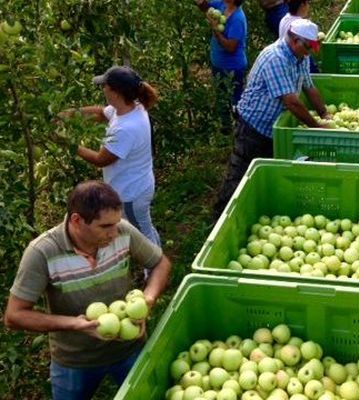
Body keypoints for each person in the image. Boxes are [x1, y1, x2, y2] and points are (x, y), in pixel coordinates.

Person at [3, 181, 171, 400]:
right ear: (77, 220)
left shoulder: (122, 232)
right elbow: (14, 316)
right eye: (104, 226)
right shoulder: (43, 252)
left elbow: (161, 263)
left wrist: (147, 300)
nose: (113, 233)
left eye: (116, 223)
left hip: (128, 349)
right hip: (75, 361)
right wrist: (75, 324)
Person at [213, 19, 331, 218]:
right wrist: (316, 127)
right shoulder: (275, 58)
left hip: (274, 128)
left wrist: (324, 113)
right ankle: (220, 216)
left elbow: (309, 87)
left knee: (266, 176)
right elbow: (291, 102)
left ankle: (253, 211)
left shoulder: (299, 58)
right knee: (240, 172)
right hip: (254, 126)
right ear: (295, 41)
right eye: (308, 47)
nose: (309, 52)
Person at [57, 65, 161, 246]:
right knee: (143, 226)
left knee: (142, 234)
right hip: (137, 184)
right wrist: (70, 114)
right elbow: (100, 112)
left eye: (105, 86)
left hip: (131, 193)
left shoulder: (126, 128)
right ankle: (152, 259)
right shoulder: (131, 107)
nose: (103, 89)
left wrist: (68, 144)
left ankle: (155, 267)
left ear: (115, 92)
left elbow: (100, 159)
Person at [195, 0, 248, 134]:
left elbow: (231, 47)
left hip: (233, 68)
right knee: (222, 100)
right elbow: (205, 7)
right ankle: (226, 132)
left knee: (237, 102)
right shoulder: (221, 5)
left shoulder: (238, 19)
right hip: (218, 65)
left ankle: (242, 132)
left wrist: (216, 31)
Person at [279, 0, 319, 73]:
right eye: (308, 3)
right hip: (296, 58)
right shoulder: (301, 26)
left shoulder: (284, 19)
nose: (308, 7)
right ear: (302, 5)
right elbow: (315, 48)